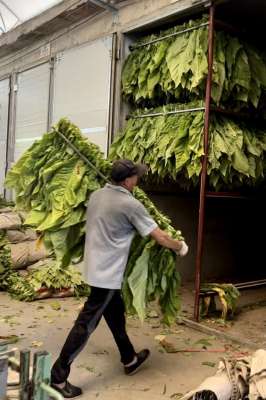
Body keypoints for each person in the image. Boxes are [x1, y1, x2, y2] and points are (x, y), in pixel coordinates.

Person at [51, 159, 188, 398]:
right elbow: (161, 237)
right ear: (127, 180)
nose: (139, 180)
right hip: (107, 274)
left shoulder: (96, 196)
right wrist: (180, 247)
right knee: (85, 325)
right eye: (136, 177)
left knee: (116, 315)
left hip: (95, 268)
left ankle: (129, 359)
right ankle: (58, 378)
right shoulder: (130, 204)